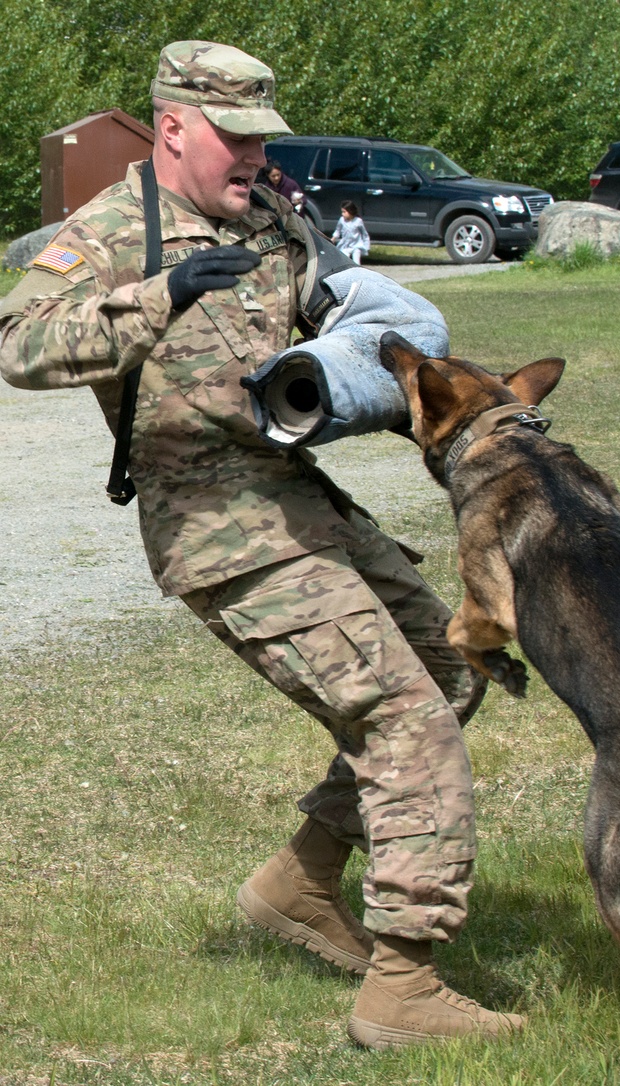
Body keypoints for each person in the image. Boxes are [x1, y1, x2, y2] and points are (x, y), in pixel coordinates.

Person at [0, 40, 520, 1049]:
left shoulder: (270, 211)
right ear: (175, 128)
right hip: (216, 527)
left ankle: (302, 883)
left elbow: (334, 318)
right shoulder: (113, 230)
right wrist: (164, 294)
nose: (251, 155)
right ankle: (404, 987)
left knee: (453, 666)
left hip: (297, 494)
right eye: (234, 138)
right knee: (408, 723)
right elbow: (17, 346)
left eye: (261, 138)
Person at [331, 199, 371, 264]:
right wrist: (333, 239)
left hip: (356, 245)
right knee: (344, 261)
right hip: (345, 245)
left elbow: (364, 234)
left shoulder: (358, 221)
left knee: (356, 262)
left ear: (350, 211)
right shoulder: (341, 220)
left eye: (344, 212)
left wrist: (366, 245)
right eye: (342, 212)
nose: (342, 214)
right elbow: (338, 230)